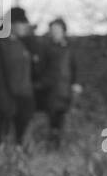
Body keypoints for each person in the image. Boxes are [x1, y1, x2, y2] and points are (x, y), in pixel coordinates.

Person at [0, 6, 37, 146]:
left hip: (23, 102)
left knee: (19, 143)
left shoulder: (25, 44)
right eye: (21, 23)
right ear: (11, 24)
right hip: (1, 103)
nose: (24, 26)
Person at [34, 17, 81, 150]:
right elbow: (39, 69)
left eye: (57, 29)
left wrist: (76, 83)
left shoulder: (70, 48)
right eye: (53, 30)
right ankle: (50, 147)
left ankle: (62, 146)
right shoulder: (44, 48)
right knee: (51, 119)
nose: (55, 32)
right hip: (49, 90)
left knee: (64, 118)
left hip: (65, 89)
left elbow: (75, 67)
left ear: (63, 31)